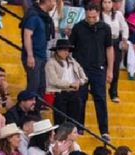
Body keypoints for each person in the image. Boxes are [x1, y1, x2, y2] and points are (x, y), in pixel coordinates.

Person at [69, 2, 114, 140]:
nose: (91, 20)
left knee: (100, 98)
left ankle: (104, 130)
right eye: (89, 17)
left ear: (98, 14)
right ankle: (79, 127)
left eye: (94, 17)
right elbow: (70, 48)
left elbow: (109, 48)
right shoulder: (78, 27)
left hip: (98, 67)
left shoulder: (105, 28)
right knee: (80, 98)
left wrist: (110, 69)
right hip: (80, 68)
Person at [46, 39, 87, 128]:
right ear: (58, 50)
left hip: (73, 93)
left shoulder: (73, 62)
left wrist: (79, 82)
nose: (66, 52)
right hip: (60, 94)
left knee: (73, 121)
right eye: (64, 50)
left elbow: (84, 77)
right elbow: (54, 81)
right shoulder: (51, 63)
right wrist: (70, 84)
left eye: (67, 50)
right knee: (60, 121)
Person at [21, 0, 55, 97]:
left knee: (41, 86)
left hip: (42, 56)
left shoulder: (44, 17)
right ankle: (29, 109)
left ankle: (36, 109)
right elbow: (27, 35)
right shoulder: (34, 16)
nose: (54, 4)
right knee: (34, 85)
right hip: (34, 56)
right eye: (53, 1)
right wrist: (30, 55)